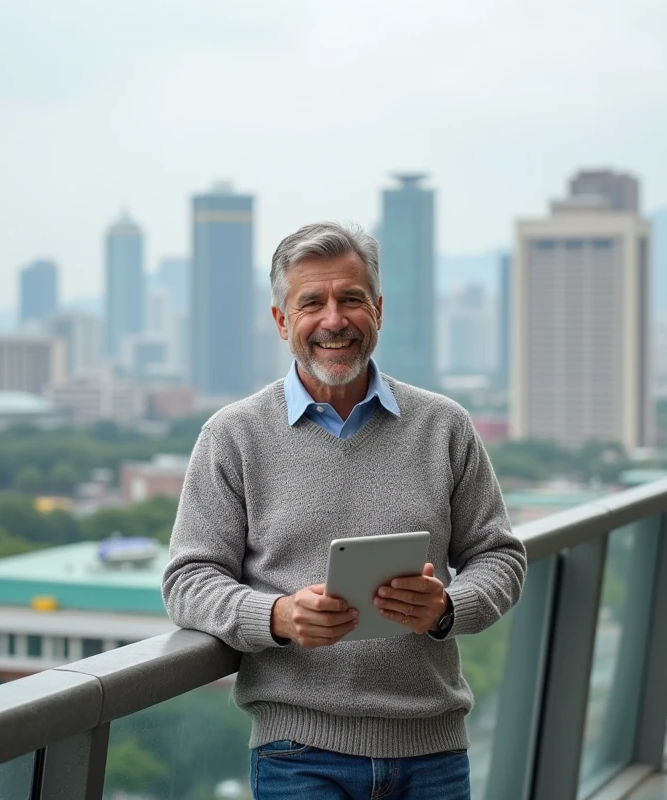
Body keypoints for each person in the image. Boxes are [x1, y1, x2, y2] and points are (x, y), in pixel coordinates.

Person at [162, 220, 526, 799]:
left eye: (351, 299)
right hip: (297, 757)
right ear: (282, 321)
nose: (334, 319)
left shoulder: (445, 427)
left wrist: (448, 607)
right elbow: (187, 580)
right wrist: (276, 616)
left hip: (432, 751)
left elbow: (501, 557)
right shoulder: (233, 436)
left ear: (378, 310)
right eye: (312, 303)